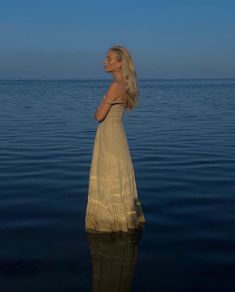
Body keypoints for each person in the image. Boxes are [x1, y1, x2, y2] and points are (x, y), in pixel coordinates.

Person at [85, 45, 146, 232]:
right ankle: (124, 220)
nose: (105, 61)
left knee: (109, 175)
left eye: (109, 58)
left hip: (110, 136)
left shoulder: (115, 87)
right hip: (117, 135)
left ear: (120, 63)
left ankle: (110, 223)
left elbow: (98, 116)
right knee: (117, 175)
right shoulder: (126, 86)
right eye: (105, 58)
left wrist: (100, 105)